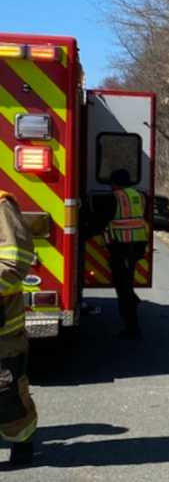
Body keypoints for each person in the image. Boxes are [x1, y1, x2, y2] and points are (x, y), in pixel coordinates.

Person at [0, 191, 38, 466]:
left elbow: (16, 261)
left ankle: (22, 444)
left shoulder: (1, 205)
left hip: (2, 330)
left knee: (6, 392)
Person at [106, 169, 148, 339]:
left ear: (116, 183)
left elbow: (105, 219)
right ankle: (132, 299)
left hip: (121, 247)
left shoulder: (115, 197)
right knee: (127, 283)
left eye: (111, 183)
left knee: (123, 289)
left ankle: (132, 328)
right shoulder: (139, 195)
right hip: (137, 245)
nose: (110, 186)